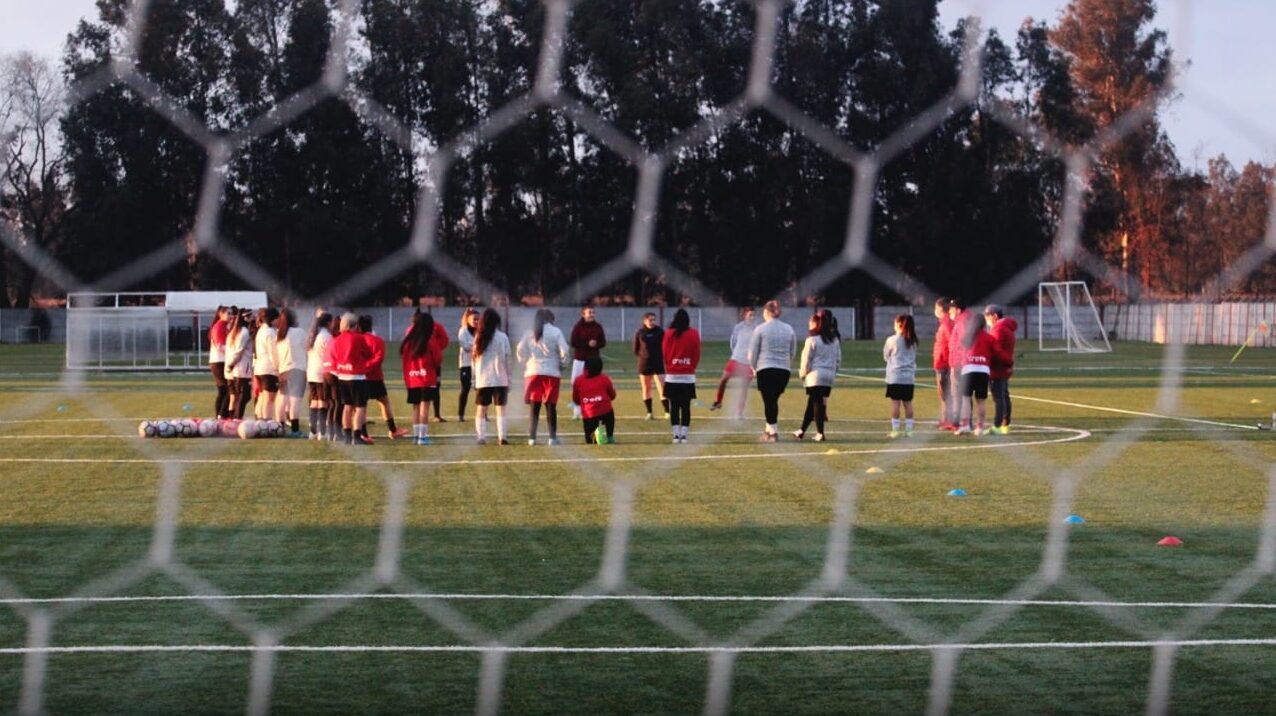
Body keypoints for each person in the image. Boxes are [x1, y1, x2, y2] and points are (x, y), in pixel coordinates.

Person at [517, 308, 570, 445]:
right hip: (551, 372)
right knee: (551, 406)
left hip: (533, 371)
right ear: (550, 319)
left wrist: (524, 363)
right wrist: (563, 365)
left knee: (534, 406)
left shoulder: (529, 332)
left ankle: (532, 438)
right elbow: (565, 351)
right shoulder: (556, 331)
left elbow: (520, 349)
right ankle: (552, 438)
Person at [748, 300, 796, 442]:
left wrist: (754, 367)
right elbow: (792, 351)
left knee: (769, 401)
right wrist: (787, 364)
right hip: (783, 370)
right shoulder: (789, 329)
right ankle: (768, 430)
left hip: (765, 368)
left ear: (767, 312)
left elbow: (753, 352)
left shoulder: (761, 329)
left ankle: (773, 432)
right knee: (772, 400)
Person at [795, 309, 842, 442]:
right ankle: (801, 430)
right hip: (829, 376)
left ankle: (820, 433)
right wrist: (833, 372)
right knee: (812, 404)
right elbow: (838, 359)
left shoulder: (812, 340)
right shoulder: (834, 340)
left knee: (817, 403)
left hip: (815, 376)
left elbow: (806, 360)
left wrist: (802, 375)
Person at [357, 315, 406, 439]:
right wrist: (368, 367)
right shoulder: (377, 340)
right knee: (384, 402)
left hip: (360, 377)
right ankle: (393, 430)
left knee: (361, 406)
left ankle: (363, 434)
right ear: (370, 326)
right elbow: (379, 358)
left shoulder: (355, 340)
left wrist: (362, 368)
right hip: (375, 377)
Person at [330, 312, 374, 445]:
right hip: (357, 376)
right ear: (353, 325)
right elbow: (368, 353)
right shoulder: (358, 338)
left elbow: (335, 356)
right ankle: (357, 435)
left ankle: (347, 436)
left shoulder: (337, 339)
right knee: (360, 407)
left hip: (342, 376)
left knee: (347, 406)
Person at [401, 311, 444, 445]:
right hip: (427, 379)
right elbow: (437, 359)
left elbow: (404, 361)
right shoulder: (430, 340)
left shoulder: (408, 341)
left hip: (412, 379)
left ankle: (416, 436)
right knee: (425, 408)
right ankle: (423, 437)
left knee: (416, 408)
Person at [472, 307, 512, 445]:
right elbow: (508, 359)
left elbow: (474, 360)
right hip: (500, 378)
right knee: (501, 409)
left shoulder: (478, 337)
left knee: (481, 409)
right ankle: (502, 437)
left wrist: (474, 378)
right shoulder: (503, 337)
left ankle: (481, 437)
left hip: (483, 379)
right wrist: (510, 378)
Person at [662, 308, 701, 444]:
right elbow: (697, 353)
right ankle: (684, 436)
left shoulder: (668, 334)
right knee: (685, 407)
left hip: (672, 376)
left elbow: (665, 353)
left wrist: (671, 366)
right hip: (688, 376)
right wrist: (691, 366)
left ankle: (675, 435)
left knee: (674, 407)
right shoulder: (694, 333)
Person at [711, 307, 757, 417]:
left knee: (744, 387)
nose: (753, 317)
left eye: (754, 315)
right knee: (723, 379)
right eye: (750, 315)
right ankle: (718, 402)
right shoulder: (738, 328)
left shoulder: (757, 329)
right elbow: (733, 342)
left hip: (749, 363)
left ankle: (739, 412)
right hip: (736, 359)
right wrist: (736, 354)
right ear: (744, 316)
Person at [956, 311, 996, 436]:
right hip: (983, 370)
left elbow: (960, 351)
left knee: (966, 399)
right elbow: (994, 353)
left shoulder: (966, 337)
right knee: (981, 400)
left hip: (968, 369)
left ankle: (966, 425)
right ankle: (979, 427)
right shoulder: (989, 337)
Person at [883, 313, 918, 439]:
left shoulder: (892, 340)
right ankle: (909, 431)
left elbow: (886, 356)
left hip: (895, 376)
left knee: (895, 404)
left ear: (899, 325)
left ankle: (895, 430)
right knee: (908, 404)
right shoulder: (913, 341)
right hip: (909, 377)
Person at [568, 306, 606, 419]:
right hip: (580, 359)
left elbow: (603, 342)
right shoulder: (578, 327)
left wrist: (596, 344)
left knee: (594, 385)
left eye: (593, 312)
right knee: (576, 383)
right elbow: (573, 342)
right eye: (589, 312)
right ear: (583, 314)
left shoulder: (598, 327)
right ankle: (577, 410)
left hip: (594, 359)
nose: (592, 314)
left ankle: (592, 409)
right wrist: (587, 343)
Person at [275, 308, 307, 436]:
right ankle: (294, 429)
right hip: (297, 369)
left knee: (282, 399)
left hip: (283, 369)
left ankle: (279, 426)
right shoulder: (300, 332)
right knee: (295, 401)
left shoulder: (279, 334)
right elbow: (307, 348)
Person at [986, 304, 1018, 435]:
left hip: (998, 368)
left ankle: (998, 425)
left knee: (999, 397)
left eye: (987, 316)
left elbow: (996, 350)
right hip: (1004, 367)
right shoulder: (1006, 328)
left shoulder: (998, 329)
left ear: (994, 316)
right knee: (1004, 395)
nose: (986, 319)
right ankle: (1005, 424)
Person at [632, 312, 668, 420]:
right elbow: (635, 349)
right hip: (644, 364)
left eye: (654, 320)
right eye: (650, 320)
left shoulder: (660, 332)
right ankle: (649, 413)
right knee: (646, 388)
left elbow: (666, 345)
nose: (652, 322)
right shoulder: (640, 333)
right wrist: (643, 356)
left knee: (663, 388)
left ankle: (667, 412)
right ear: (644, 321)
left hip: (658, 363)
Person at [572, 356, 616, 444]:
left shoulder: (578, 380)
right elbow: (612, 395)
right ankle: (610, 436)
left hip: (589, 414)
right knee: (610, 415)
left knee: (590, 441)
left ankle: (595, 435)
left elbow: (575, 398)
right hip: (605, 411)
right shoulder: (605, 378)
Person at [305, 312, 334, 440]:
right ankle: (322, 432)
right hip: (321, 372)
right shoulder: (326, 336)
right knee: (323, 402)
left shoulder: (313, 335)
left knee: (314, 401)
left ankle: (313, 432)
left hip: (311, 372)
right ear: (328, 323)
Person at [224, 308, 254, 419]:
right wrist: (231, 364)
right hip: (241, 368)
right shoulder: (244, 332)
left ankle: (235, 417)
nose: (252, 319)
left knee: (239, 395)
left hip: (236, 368)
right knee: (244, 395)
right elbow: (239, 350)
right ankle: (237, 417)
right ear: (245, 318)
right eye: (250, 316)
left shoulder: (234, 331)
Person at [252, 307, 280, 420]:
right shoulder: (270, 333)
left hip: (259, 368)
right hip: (268, 369)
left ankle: (260, 419)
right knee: (269, 398)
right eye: (277, 318)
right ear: (272, 319)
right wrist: (277, 368)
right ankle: (267, 422)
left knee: (263, 396)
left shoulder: (261, 331)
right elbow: (273, 353)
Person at [932, 297, 955, 429]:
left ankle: (949, 420)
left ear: (941, 308)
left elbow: (952, 342)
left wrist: (950, 361)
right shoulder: (945, 323)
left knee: (946, 394)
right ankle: (945, 419)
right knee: (943, 394)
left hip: (945, 363)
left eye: (936, 308)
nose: (935, 310)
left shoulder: (946, 324)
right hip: (942, 362)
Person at [456, 307, 479, 421]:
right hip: (466, 364)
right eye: (474, 319)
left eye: (478, 319)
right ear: (468, 319)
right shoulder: (463, 331)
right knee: (465, 389)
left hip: (478, 364)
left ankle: (482, 414)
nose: (476, 322)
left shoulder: (480, 331)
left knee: (480, 389)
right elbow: (465, 346)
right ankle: (461, 415)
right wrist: (476, 346)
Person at [208, 306, 230, 418]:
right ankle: (221, 414)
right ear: (221, 314)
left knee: (222, 390)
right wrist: (232, 351)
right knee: (228, 389)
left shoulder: (223, 326)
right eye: (228, 313)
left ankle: (219, 415)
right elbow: (220, 345)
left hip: (218, 361)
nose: (230, 316)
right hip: (219, 361)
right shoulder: (219, 326)